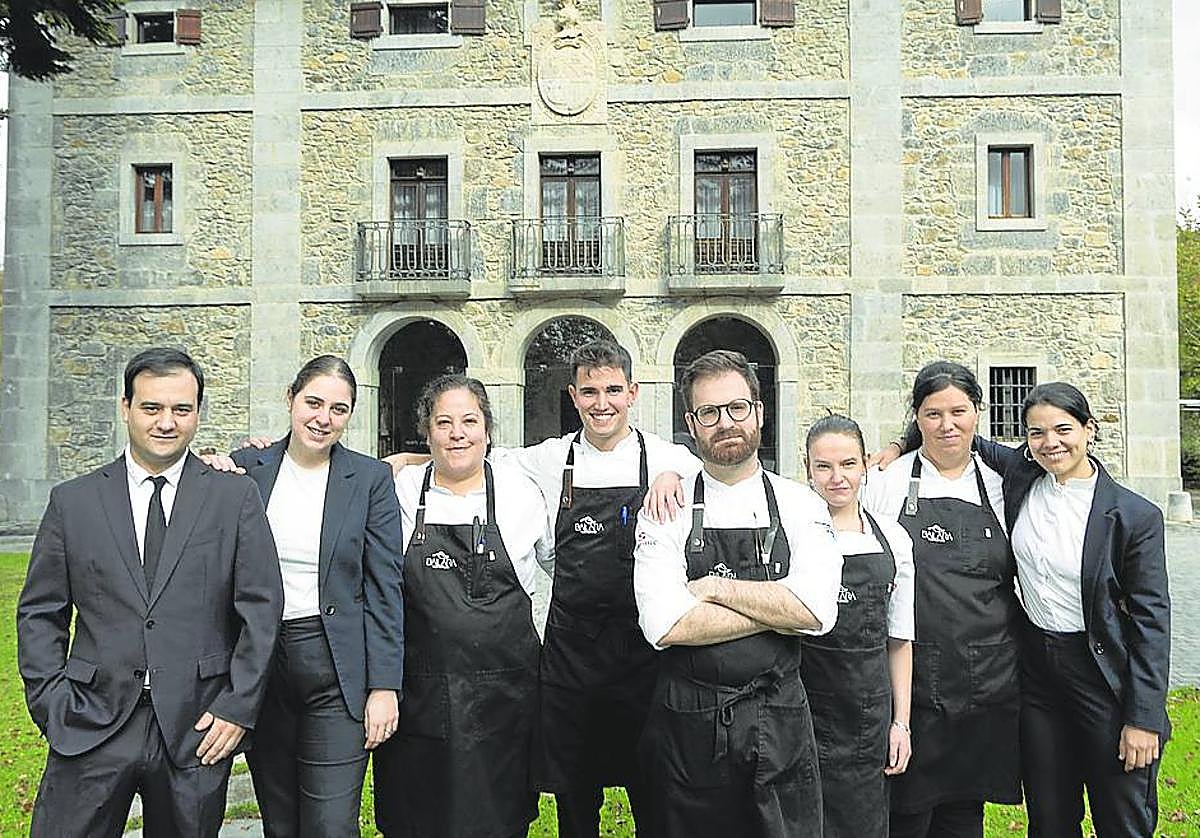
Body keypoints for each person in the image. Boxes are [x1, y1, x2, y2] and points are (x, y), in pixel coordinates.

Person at [387, 339, 698, 837]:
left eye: (613, 390)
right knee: (576, 799)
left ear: (633, 393)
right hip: (573, 663)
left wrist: (670, 473)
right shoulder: (548, 460)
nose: (602, 403)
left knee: (653, 793)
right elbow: (473, 453)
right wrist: (408, 456)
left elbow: (709, 467)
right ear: (573, 397)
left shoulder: (665, 455)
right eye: (589, 392)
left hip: (643, 660)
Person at [17, 347, 284, 837]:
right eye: (151, 407)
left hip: (196, 728)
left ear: (198, 413)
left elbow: (262, 611)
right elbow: (40, 613)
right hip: (90, 722)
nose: (166, 422)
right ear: (126, 408)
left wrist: (237, 707)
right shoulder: (73, 502)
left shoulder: (234, 497)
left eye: (181, 409)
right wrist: (52, 703)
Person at [633, 349, 843, 838]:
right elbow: (663, 624)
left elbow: (817, 611)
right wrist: (778, 607)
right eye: (709, 412)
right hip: (688, 727)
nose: (725, 422)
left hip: (780, 720)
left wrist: (713, 588)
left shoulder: (800, 503)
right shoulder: (666, 508)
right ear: (691, 424)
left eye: (737, 407)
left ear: (759, 412)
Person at [968, 383, 1170, 837]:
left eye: (1063, 429)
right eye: (1036, 433)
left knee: (1121, 818)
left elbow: (1152, 622)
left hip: (1105, 676)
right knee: (1050, 818)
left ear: (1089, 429)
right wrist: (898, 446)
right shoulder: (1022, 476)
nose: (1050, 443)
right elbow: (957, 426)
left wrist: (1143, 717)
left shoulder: (1134, 516)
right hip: (1038, 675)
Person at [230, 355, 405, 837]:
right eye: (313, 402)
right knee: (280, 823)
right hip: (260, 665)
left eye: (338, 409)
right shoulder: (246, 468)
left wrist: (384, 685)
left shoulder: (369, 480)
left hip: (335, 668)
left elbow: (385, 586)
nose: (323, 418)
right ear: (290, 399)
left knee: (330, 825)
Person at [372, 374, 554, 838]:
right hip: (419, 700)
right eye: (444, 423)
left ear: (487, 430)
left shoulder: (521, 493)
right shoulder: (398, 490)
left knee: (499, 822)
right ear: (427, 432)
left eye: (469, 421)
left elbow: (565, 566)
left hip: (503, 704)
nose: (458, 434)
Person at [859, 360, 1022, 838]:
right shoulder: (887, 482)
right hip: (911, 684)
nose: (947, 425)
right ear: (917, 417)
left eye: (958, 411)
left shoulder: (1003, 486)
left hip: (985, 685)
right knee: (905, 815)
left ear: (978, 412)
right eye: (933, 414)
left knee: (964, 816)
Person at [802, 415, 914, 837]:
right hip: (802, 709)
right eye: (824, 466)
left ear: (865, 464)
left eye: (848, 464)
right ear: (808, 468)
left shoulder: (893, 538)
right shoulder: (792, 534)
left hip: (867, 714)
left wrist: (900, 723)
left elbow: (899, 638)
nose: (837, 478)